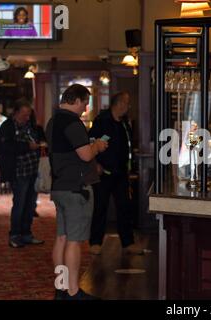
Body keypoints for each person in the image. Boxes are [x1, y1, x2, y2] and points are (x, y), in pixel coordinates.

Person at [46, 84, 108, 300]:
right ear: (78, 100)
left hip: (60, 186)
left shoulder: (53, 121)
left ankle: (61, 287)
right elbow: (84, 155)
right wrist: (97, 146)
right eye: (85, 103)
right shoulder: (72, 122)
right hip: (76, 189)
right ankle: (72, 291)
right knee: (74, 240)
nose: (85, 108)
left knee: (61, 238)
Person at [88, 92, 143, 255]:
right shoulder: (102, 121)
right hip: (103, 172)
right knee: (100, 207)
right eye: (127, 104)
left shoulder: (124, 123)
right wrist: (95, 163)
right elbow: (92, 142)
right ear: (118, 104)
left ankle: (127, 243)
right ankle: (95, 242)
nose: (128, 107)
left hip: (121, 173)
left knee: (124, 207)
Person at [0, 99, 44, 248]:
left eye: (29, 115)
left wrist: (40, 143)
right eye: (24, 115)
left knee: (30, 205)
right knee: (19, 204)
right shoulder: (8, 126)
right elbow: (3, 148)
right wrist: (27, 146)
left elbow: (40, 138)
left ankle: (27, 234)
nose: (27, 118)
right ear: (16, 113)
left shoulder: (31, 125)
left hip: (33, 170)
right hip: (18, 171)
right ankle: (15, 235)